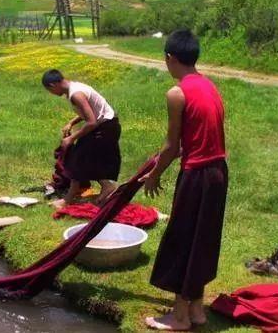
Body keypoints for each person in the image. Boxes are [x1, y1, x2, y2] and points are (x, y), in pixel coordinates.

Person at [140, 30, 228, 331]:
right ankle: (196, 309)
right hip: (218, 172)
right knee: (203, 238)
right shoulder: (209, 84)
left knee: (182, 239)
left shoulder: (177, 93)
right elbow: (192, 139)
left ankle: (179, 317)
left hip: (197, 175)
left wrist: (153, 176)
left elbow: (171, 146)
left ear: (170, 58)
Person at [42, 69, 121, 209]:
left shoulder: (76, 94)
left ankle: (67, 200)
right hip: (108, 125)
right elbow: (89, 111)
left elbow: (91, 122)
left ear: (53, 85)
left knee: (76, 160)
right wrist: (72, 123)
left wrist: (71, 138)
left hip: (105, 128)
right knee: (87, 160)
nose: (52, 94)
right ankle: (107, 187)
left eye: (50, 91)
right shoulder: (75, 88)